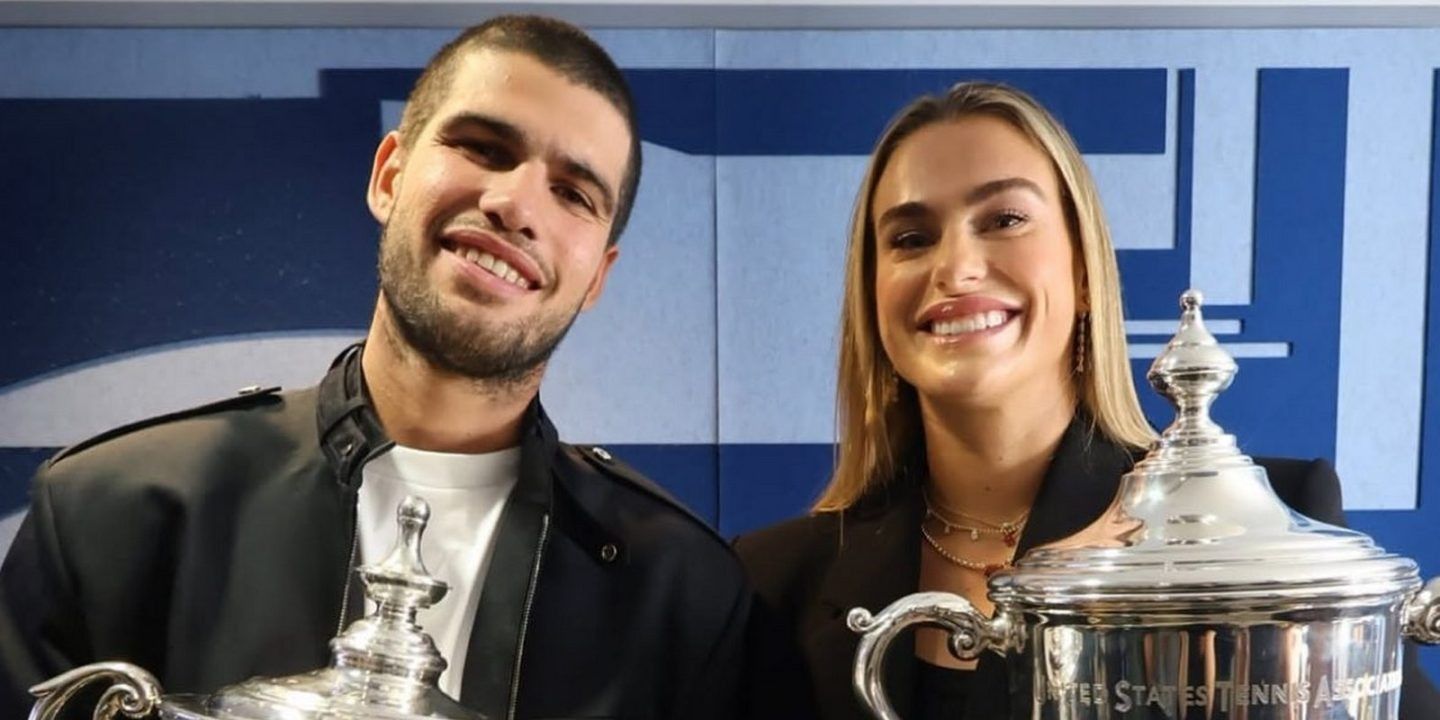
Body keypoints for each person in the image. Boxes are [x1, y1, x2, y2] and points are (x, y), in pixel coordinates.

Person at [0, 15, 749, 720]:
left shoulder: (684, 596)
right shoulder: (112, 513)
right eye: (483, 148)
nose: (515, 204)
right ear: (389, 175)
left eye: (573, 193)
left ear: (597, 278)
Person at [735, 81, 1440, 720]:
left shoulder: (1274, 530)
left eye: (1004, 219)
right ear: (872, 295)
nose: (955, 267)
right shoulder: (776, 579)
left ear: (1082, 271)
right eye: (911, 238)